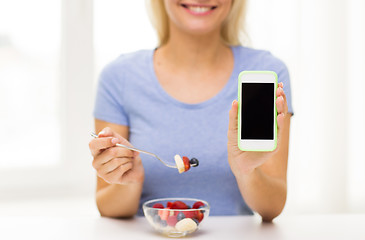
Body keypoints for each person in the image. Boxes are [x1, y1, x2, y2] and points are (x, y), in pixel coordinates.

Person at [88, 0, 293, 222]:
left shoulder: (266, 72)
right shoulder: (119, 77)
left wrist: (246, 171)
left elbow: (273, 207)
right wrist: (129, 180)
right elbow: (107, 206)